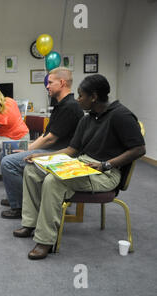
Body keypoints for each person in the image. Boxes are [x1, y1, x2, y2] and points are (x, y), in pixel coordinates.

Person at [13, 74, 146, 260]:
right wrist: (40, 157)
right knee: (32, 170)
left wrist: (107, 164)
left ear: (94, 97)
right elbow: (70, 150)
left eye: (81, 95)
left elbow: (139, 148)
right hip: (82, 164)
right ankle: (30, 223)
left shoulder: (120, 115)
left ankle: (45, 240)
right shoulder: (87, 119)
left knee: (54, 181)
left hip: (106, 173)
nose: (78, 99)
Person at [0, 67, 84, 219]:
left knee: (7, 162)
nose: (47, 86)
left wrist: (27, 150)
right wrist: (27, 147)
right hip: (50, 148)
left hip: (59, 154)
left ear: (62, 82)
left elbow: (50, 139)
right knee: (5, 151)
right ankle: (16, 196)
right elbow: (47, 135)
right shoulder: (61, 104)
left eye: (50, 82)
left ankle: (21, 206)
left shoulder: (70, 106)